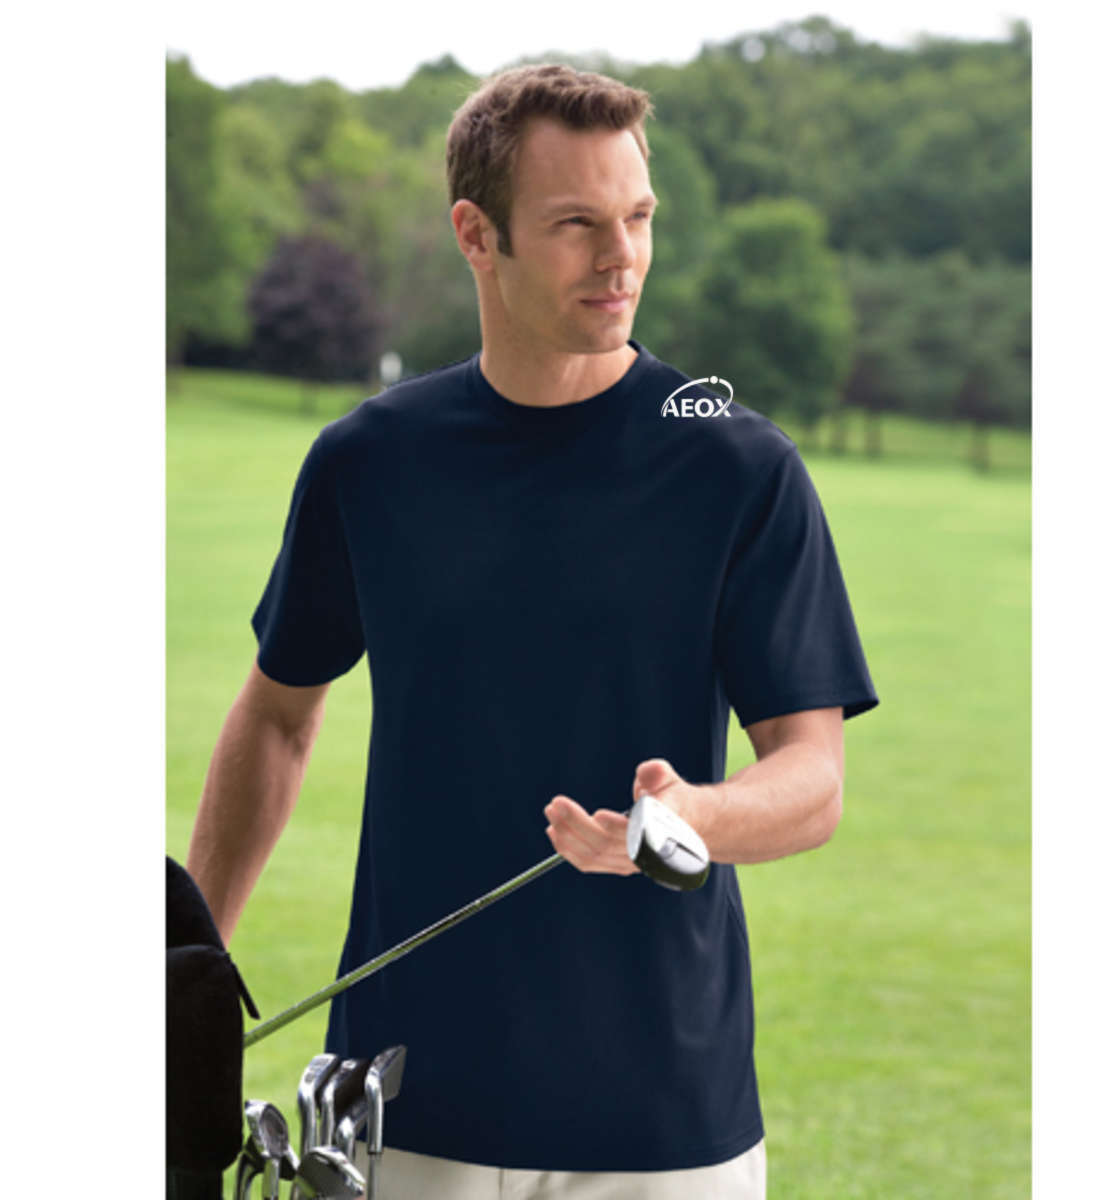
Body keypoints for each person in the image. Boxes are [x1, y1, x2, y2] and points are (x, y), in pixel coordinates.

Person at [186, 62, 878, 1199]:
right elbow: (276, 718)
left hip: (666, 1123)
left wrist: (690, 818)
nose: (622, 257)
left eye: (638, 217)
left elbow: (813, 779)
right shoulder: (370, 462)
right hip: (401, 1108)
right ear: (477, 233)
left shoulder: (741, 470)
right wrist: (191, 968)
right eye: (575, 225)